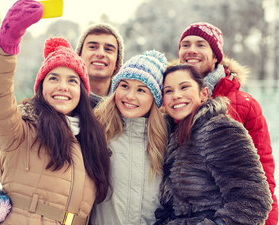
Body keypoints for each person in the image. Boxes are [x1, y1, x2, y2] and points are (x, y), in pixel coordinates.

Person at [0, 0, 111, 225]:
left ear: (81, 91)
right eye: (53, 78)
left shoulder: (92, 140)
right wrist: (6, 43)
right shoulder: (22, 130)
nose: (62, 86)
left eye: (72, 80)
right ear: (41, 87)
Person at [175, 22, 277, 224]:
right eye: (185, 44)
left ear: (216, 56)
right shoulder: (170, 101)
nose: (191, 50)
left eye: (201, 44)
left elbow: (262, 172)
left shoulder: (243, 104)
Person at [155, 64, 272, 225]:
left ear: (203, 94)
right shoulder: (173, 136)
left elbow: (254, 201)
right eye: (169, 90)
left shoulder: (219, 130)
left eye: (184, 87)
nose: (176, 95)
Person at [90, 50, 168, 224]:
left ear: (154, 98)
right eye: (124, 86)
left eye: (141, 90)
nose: (130, 96)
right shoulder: (97, 131)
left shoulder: (166, 141)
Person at [75, 23, 124, 108]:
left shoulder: (126, 102)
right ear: (79, 56)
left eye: (108, 49)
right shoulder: (66, 97)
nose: (100, 54)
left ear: (117, 63)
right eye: (93, 47)